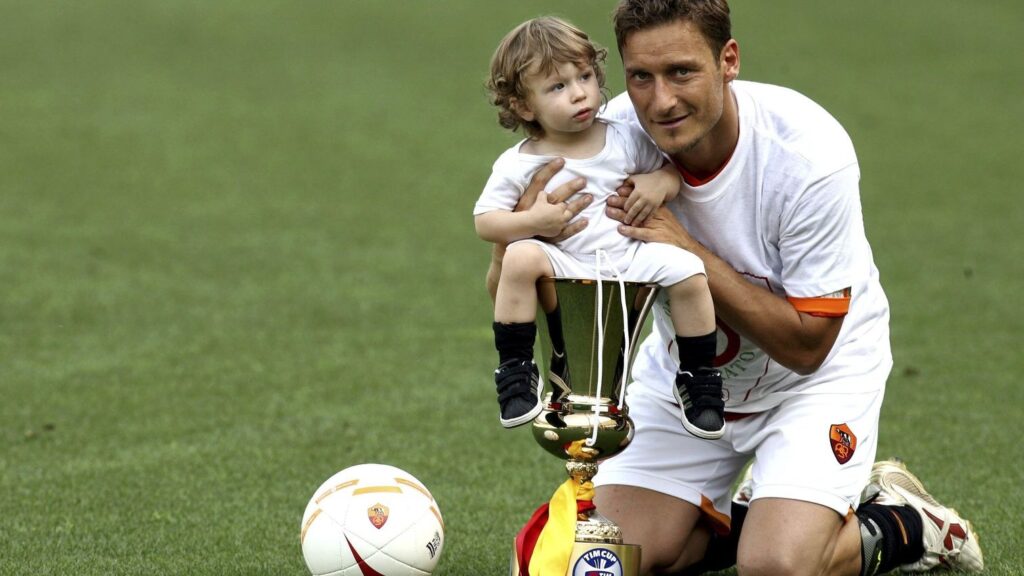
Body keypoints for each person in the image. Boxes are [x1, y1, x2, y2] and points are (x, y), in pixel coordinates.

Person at [486, 1, 984, 574]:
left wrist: (685, 249)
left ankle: (902, 523)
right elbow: (517, 290)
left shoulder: (806, 157)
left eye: (682, 72)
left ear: (728, 60)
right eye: (641, 76)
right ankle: (755, 511)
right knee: (597, 560)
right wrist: (520, 240)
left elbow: (807, 347)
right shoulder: (602, 137)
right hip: (684, 381)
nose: (661, 100)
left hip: (812, 385)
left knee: (778, 566)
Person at [475, 16, 726, 439]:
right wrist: (532, 222)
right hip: (563, 262)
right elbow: (486, 221)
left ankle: (698, 379)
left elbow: (670, 175)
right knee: (520, 254)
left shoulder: (624, 137)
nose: (579, 93)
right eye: (558, 86)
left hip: (627, 254)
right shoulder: (519, 161)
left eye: (585, 76)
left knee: (689, 269)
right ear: (523, 105)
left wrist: (656, 183)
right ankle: (517, 372)